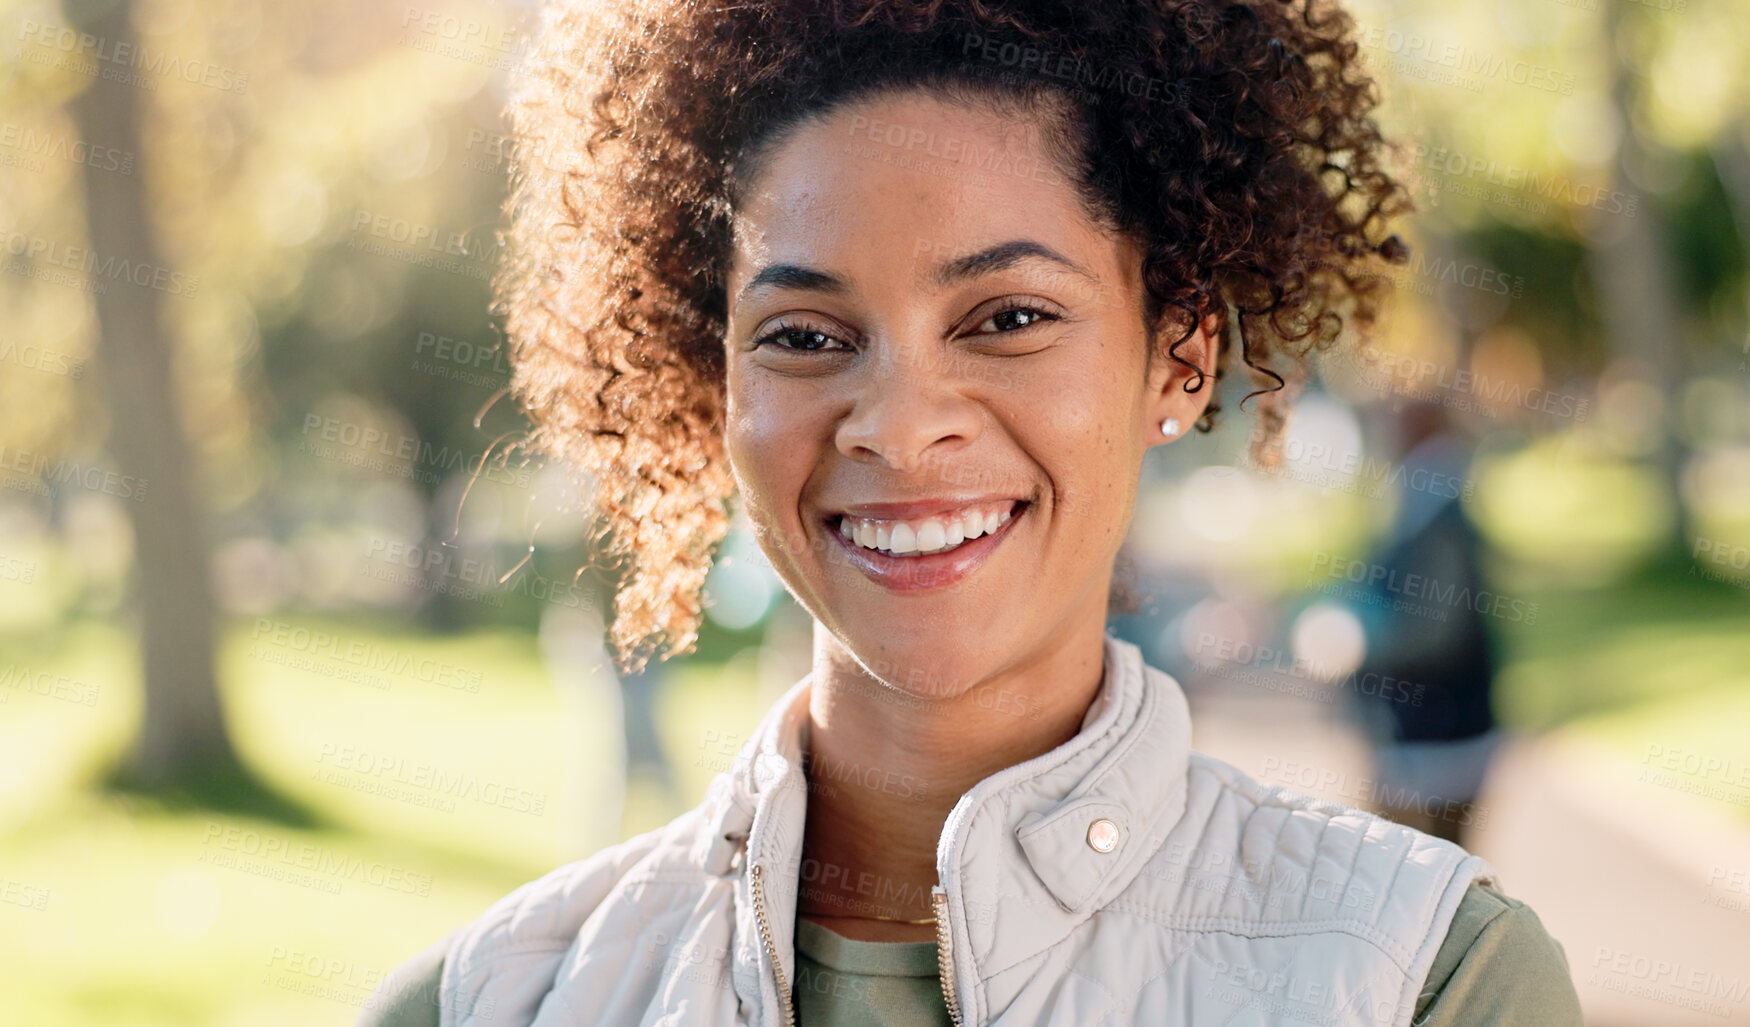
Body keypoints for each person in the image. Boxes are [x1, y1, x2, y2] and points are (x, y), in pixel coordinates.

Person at [360, 0, 1583, 1023]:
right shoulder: (487, 1004)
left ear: (1180, 357)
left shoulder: (1423, 980)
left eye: (1007, 317)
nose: (898, 424)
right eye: (803, 335)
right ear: (712, 379)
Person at [1343, 400, 1501, 849]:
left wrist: (1361, 647)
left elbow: (1433, 630)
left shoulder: (1437, 514)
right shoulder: (1427, 503)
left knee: (1419, 874)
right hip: (1435, 725)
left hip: (1438, 730)